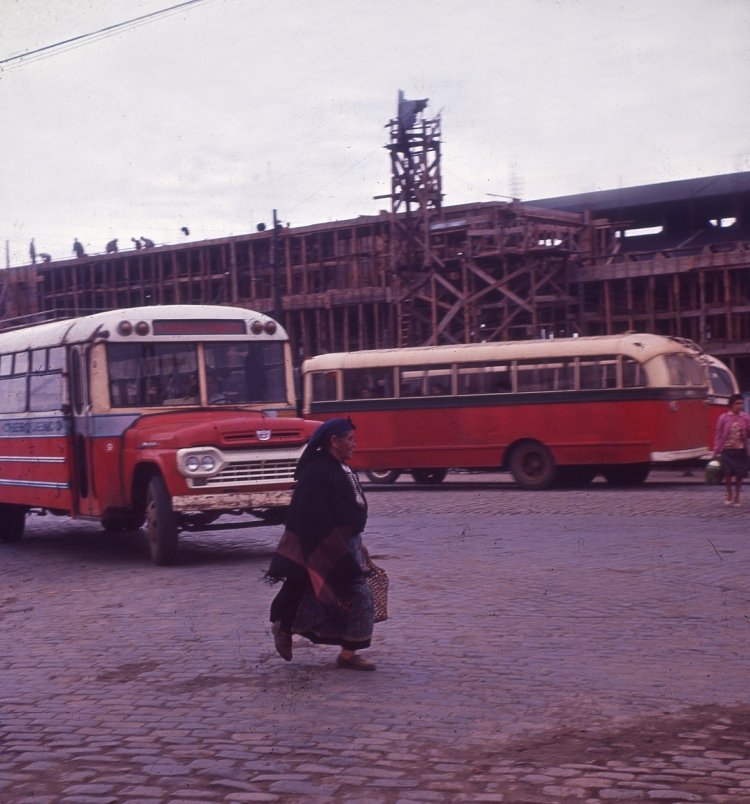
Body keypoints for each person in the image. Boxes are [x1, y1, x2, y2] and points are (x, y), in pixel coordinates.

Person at [266, 418, 376, 670]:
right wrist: (330, 547)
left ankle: (347, 654)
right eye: (350, 439)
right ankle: (285, 625)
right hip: (324, 544)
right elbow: (307, 513)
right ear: (334, 441)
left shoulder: (342, 467)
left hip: (347, 543)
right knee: (357, 593)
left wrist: (356, 543)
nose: (354, 444)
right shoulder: (316, 471)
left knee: (332, 594)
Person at [712, 393, 750, 507]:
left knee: (739, 474)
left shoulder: (745, 417)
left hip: (740, 449)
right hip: (727, 449)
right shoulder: (724, 417)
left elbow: (748, 434)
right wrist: (716, 450)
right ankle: (729, 493)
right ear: (731, 405)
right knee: (727, 473)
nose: (740, 406)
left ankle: (737, 495)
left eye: (741, 403)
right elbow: (718, 434)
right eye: (737, 403)